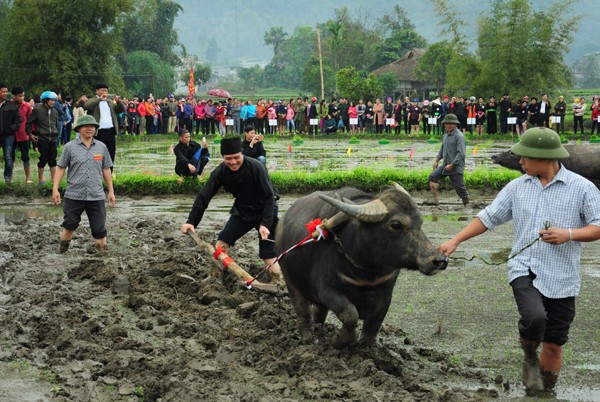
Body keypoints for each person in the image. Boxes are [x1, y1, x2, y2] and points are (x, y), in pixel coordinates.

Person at [437, 127, 600, 395]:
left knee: (554, 344)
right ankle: (528, 354)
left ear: (546, 158)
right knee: (535, 318)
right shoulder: (516, 187)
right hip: (525, 267)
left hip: (563, 276)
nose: (520, 161)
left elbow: (597, 226)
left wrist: (568, 234)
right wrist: (456, 241)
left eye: (525, 156)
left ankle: (543, 391)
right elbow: (488, 217)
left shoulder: (582, 189)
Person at [180, 136, 283, 285]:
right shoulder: (220, 172)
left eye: (236, 157)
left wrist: (266, 223)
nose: (233, 162)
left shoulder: (256, 167)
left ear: (242, 153)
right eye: (228, 159)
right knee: (222, 242)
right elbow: (204, 196)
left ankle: (278, 282)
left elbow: (269, 196)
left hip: (265, 210)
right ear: (223, 158)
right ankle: (215, 277)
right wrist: (191, 221)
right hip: (243, 210)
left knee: (267, 253)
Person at [52, 115, 116, 253]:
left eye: (92, 126)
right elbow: (61, 167)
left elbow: (106, 169)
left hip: (96, 196)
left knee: (100, 235)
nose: (89, 129)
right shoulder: (69, 147)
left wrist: (110, 191)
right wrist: (55, 189)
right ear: (79, 129)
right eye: (86, 126)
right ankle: (61, 253)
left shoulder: (101, 147)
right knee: (68, 228)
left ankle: (102, 261)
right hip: (74, 195)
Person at [424, 113, 469, 206]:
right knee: (432, 178)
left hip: (456, 167)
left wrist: (452, 165)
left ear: (455, 124)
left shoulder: (459, 136)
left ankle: (467, 205)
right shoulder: (446, 134)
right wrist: (437, 159)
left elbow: (461, 153)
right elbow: (443, 148)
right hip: (445, 165)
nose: (448, 125)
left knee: (460, 189)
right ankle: (435, 200)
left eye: (451, 123)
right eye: (446, 123)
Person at [84, 83, 124, 167]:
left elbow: (120, 110)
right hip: (98, 132)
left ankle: (110, 173)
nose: (104, 92)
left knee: (111, 152)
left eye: (106, 90)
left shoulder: (110, 102)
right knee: (98, 154)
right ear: (97, 91)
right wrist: (99, 99)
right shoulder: (93, 100)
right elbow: (87, 106)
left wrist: (119, 102)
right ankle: (98, 173)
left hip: (110, 131)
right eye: (102, 90)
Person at [27, 90, 59, 184]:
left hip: (53, 139)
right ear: (45, 100)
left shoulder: (55, 111)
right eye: (51, 100)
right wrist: (30, 134)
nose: (53, 102)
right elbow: (28, 122)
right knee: (43, 159)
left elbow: (56, 124)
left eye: (54, 100)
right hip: (42, 138)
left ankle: (54, 181)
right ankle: (40, 179)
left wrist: (56, 133)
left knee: (53, 160)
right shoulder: (38, 110)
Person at [0, 83, 22, 184]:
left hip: (8, 136)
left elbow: (18, 120)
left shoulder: (12, 105)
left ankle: (8, 178)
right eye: (3, 91)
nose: (5, 93)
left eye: (6, 91)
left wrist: (10, 129)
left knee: (8, 157)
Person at [11, 87, 33, 183]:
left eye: (23, 95)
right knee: (10, 157)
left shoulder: (27, 106)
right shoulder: (9, 105)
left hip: (23, 134)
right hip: (11, 134)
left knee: (25, 156)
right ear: (14, 96)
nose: (22, 98)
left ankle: (28, 178)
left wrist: (30, 133)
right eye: (20, 96)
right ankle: (9, 178)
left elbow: (30, 120)